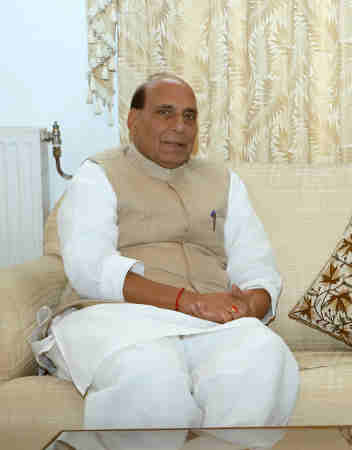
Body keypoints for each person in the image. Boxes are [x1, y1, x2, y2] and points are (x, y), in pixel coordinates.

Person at [31, 73, 298, 449]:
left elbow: (255, 261)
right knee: (152, 375)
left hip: (207, 323)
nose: (180, 126)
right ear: (132, 120)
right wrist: (187, 300)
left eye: (189, 116)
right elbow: (90, 268)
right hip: (116, 315)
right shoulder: (98, 174)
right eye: (165, 113)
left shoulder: (223, 180)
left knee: (263, 354)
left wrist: (251, 304)